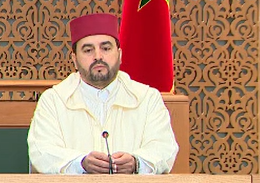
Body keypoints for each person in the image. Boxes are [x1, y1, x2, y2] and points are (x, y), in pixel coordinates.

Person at [28, 13, 178, 174]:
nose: (98, 56)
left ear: (120, 55)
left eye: (106, 48)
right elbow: (42, 151)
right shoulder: (53, 100)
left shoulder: (147, 98)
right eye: (88, 50)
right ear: (74, 59)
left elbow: (164, 147)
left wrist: (136, 162)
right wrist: (81, 163)